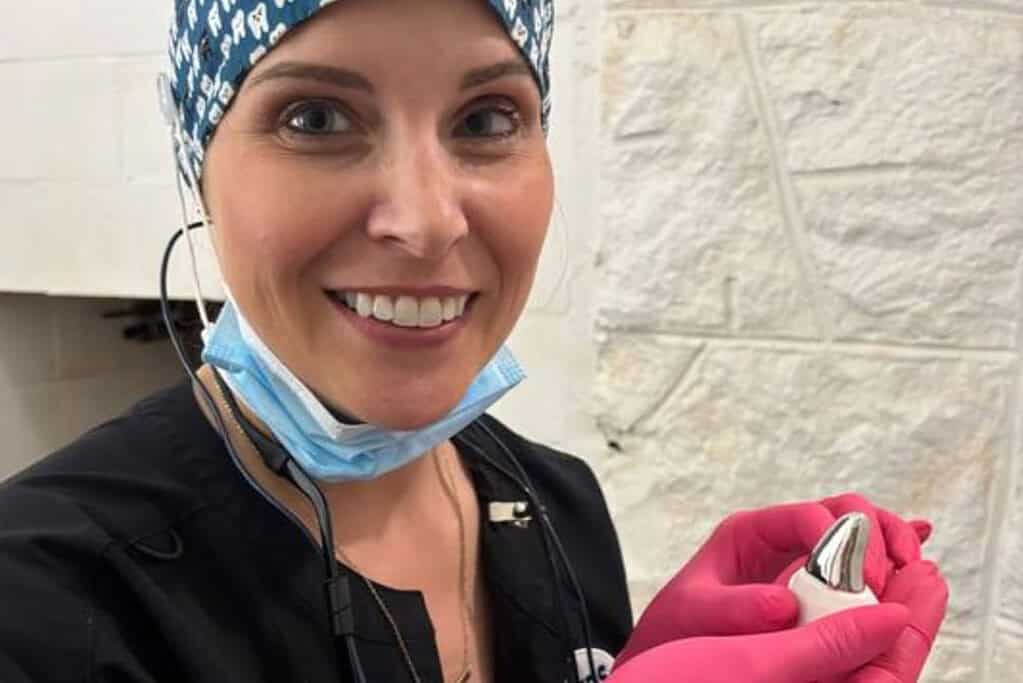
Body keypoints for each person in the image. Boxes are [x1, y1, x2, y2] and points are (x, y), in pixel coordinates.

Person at [0, 1, 948, 681]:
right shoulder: (42, 593)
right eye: (315, 118)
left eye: (487, 120)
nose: (425, 220)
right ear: (197, 169)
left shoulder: (556, 504)